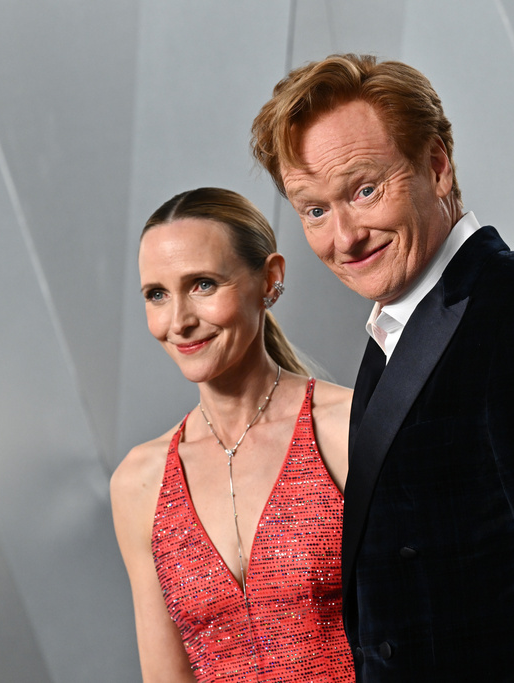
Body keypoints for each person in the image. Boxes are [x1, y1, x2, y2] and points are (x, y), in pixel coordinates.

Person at [251, 54, 514, 681]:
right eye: (314, 210)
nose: (344, 237)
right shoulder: (397, 325)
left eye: (365, 191)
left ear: (438, 166)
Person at [111, 187, 356, 682]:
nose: (178, 321)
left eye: (202, 284)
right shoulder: (140, 481)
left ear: (270, 279)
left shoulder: (349, 429)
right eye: (157, 294)